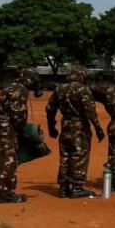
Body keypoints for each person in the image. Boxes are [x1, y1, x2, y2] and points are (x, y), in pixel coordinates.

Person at [46, 65, 105, 198]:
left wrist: (51, 126)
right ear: (81, 75)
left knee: (65, 155)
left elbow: (50, 108)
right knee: (79, 155)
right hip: (80, 126)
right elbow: (90, 111)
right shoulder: (83, 89)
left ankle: (63, 187)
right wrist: (98, 128)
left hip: (65, 124)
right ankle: (77, 187)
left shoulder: (59, 89)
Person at [0, 68, 44, 203]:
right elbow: (18, 115)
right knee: (8, 160)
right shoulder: (21, 90)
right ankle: (6, 195)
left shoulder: (9, 87)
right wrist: (22, 131)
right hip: (7, 129)